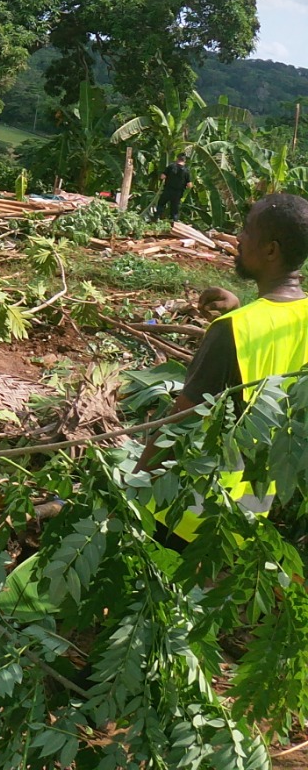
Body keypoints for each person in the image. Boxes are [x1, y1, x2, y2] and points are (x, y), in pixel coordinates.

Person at [137, 191, 308, 541]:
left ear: (271, 250)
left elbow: (177, 427)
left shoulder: (232, 332)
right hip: (249, 508)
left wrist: (130, 490)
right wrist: (242, 308)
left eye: (247, 231)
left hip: (186, 508)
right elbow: (273, 358)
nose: (239, 238)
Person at [154, 153, 191, 222]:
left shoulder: (171, 166)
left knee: (161, 204)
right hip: (178, 193)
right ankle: (174, 223)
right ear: (184, 160)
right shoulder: (186, 171)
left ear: (177, 159)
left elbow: (162, 177)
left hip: (168, 190)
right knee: (174, 210)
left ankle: (157, 218)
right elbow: (189, 185)